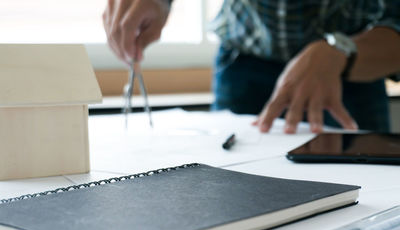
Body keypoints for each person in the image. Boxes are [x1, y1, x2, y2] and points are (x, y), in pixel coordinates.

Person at [103, 0, 400, 134]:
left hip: (351, 72)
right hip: (243, 66)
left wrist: (340, 49)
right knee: (233, 192)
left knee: (363, 199)